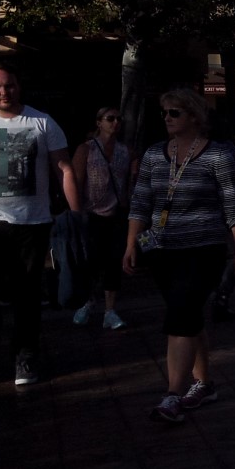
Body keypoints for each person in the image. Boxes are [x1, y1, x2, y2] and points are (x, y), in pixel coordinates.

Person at [124, 89, 235, 423]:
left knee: (180, 316)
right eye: (164, 112)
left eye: (175, 112)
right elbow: (140, 201)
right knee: (188, 317)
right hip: (163, 249)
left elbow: (233, 205)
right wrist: (131, 243)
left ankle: (172, 394)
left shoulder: (218, 155)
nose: (167, 118)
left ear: (194, 116)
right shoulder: (154, 154)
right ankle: (204, 384)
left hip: (203, 249)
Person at [0, 62, 81, 385]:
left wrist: (76, 215)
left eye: (8, 85)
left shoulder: (42, 122)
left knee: (27, 295)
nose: (3, 92)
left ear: (18, 86)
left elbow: (64, 169)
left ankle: (25, 357)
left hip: (31, 223)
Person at [72, 106, 137, 330]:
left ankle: (110, 309)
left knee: (113, 261)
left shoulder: (125, 151)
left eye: (119, 119)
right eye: (110, 119)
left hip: (116, 213)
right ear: (99, 122)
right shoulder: (86, 149)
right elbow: (77, 182)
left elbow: (131, 178)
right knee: (91, 261)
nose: (115, 123)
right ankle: (88, 301)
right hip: (91, 214)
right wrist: (77, 212)